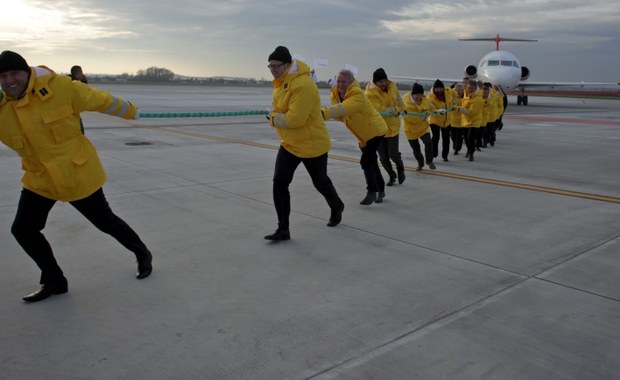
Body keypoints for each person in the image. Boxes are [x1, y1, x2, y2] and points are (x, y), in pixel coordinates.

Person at [0, 51, 153, 303]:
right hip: (40, 179)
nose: (10, 80)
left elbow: (99, 100)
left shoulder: (60, 88)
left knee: (106, 222)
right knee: (23, 230)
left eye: (14, 73)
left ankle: (143, 254)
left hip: (76, 172)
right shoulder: (3, 107)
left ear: (26, 72)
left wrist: (131, 111)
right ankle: (54, 280)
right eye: (3, 76)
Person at [264, 46, 344, 241]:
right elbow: (282, 110)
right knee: (279, 182)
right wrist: (278, 116)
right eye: (270, 66)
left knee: (320, 182)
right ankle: (283, 229)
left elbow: (295, 119)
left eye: (275, 66)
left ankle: (336, 205)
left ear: (287, 64)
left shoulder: (303, 85)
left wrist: (273, 119)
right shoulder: (280, 84)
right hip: (290, 144)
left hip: (311, 143)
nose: (272, 69)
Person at [322, 69, 387, 205]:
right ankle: (381, 190)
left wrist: (322, 114)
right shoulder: (336, 95)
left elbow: (342, 109)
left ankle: (372, 191)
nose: (340, 84)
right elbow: (340, 115)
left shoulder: (357, 95)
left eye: (344, 81)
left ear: (351, 82)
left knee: (366, 161)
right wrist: (322, 113)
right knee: (372, 162)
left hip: (375, 130)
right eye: (338, 81)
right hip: (363, 134)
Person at [364, 68, 406, 186]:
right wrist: (392, 110)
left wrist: (403, 110)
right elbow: (376, 108)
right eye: (380, 82)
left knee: (393, 154)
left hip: (392, 126)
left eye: (384, 80)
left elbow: (398, 100)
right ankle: (392, 176)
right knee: (383, 158)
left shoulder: (392, 87)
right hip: (378, 128)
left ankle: (400, 168)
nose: (383, 84)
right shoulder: (369, 93)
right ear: (375, 82)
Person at [402, 83, 436, 171]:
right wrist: (424, 116)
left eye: (421, 95)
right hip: (410, 129)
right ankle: (420, 163)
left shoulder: (425, 99)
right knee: (416, 149)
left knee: (428, 142)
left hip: (422, 127)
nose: (419, 97)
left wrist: (434, 111)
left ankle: (429, 161)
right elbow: (412, 119)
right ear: (412, 94)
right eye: (417, 95)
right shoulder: (406, 102)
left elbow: (431, 107)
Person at [427, 79, 453, 162]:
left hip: (447, 120)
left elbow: (455, 94)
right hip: (435, 120)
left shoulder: (448, 93)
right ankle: (433, 153)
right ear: (434, 89)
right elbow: (431, 107)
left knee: (446, 138)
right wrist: (437, 111)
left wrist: (454, 103)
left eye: (440, 88)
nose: (439, 90)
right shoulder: (430, 97)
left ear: (443, 88)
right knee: (436, 137)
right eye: (437, 89)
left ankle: (445, 155)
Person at [461, 80, 484, 161]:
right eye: (468, 88)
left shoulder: (478, 98)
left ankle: (471, 153)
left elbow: (472, 112)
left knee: (471, 138)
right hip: (465, 120)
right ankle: (469, 150)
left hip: (475, 121)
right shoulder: (466, 95)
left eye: (472, 88)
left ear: (475, 88)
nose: (470, 90)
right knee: (466, 139)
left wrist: (459, 109)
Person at [69, 65, 88, 134]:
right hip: (72, 112)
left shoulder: (66, 80)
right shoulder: (76, 83)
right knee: (80, 132)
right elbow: (84, 94)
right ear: (79, 72)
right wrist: (84, 82)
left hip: (63, 112)